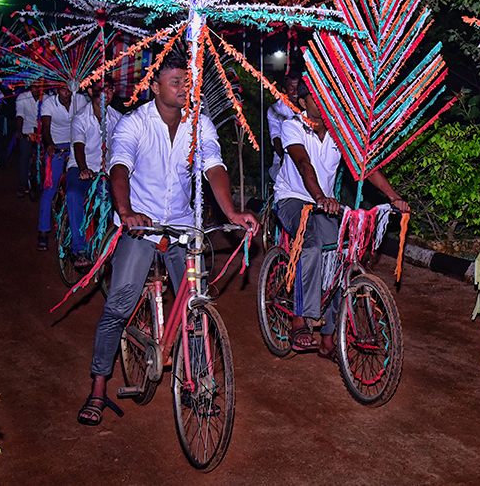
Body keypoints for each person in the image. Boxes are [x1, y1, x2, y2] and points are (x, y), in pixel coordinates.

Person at [77, 54, 257, 426]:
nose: (184, 88)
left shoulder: (199, 124)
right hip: (140, 224)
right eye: (175, 81)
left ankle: (198, 384)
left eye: (188, 81)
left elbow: (214, 166)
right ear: (155, 86)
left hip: (182, 225)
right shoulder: (134, 123)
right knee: (118, 305)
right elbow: (120, 167)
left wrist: (231, 212)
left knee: (196, 307)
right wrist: (126, 213)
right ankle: (98, 386)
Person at [273, 79, 408, 360]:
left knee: (344, 256)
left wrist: (394, 197)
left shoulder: (339, 133)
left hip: (325, 204)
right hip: (293, 199)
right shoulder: (293, 126)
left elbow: (365, 166)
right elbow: (303, 163)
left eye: (327, 96)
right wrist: (321, 196)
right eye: (315, 97)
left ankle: (328, 338)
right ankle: (300, 321)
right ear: (302, 103)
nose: (322, 102)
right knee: (309, 245)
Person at [66, 76, 122, 268]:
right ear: (90, 92)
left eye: (109, 90)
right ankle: (79, 248)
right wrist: (83, 168)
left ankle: (106, 243)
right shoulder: (80, 118)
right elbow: (78, 145)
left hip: (104, 171)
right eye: (100, 90)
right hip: (80, 167)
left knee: (112, 198)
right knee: (74, 195)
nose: (105, 93)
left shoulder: (118, 118)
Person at [37, 83, 88, 251]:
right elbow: (45, 128)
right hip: (57, 147)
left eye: (69, 89)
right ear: (57, 90)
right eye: (63, 90)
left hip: (77, 146)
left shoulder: (80, 100)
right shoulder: (49, 103)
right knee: (50, 189)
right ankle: (43, 232)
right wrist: (50, 145)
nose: (67, 93)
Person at [266, 71, 300, 183]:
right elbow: (276, 138)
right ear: (284, 91)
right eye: (291, 88)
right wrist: (286, 160)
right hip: (282, 161)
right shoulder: (275, 110)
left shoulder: (309, 106)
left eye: (298, 87)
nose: (296, 91)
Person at [14, 83, 44, 198]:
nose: (37, 89)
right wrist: (20, 131)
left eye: (39, 87)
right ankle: (23, 184)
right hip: (27, 130)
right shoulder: (22, 97)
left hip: (42, 131)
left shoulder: (46, 99)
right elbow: (20, 115)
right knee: (24, 156)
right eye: (34, 86)